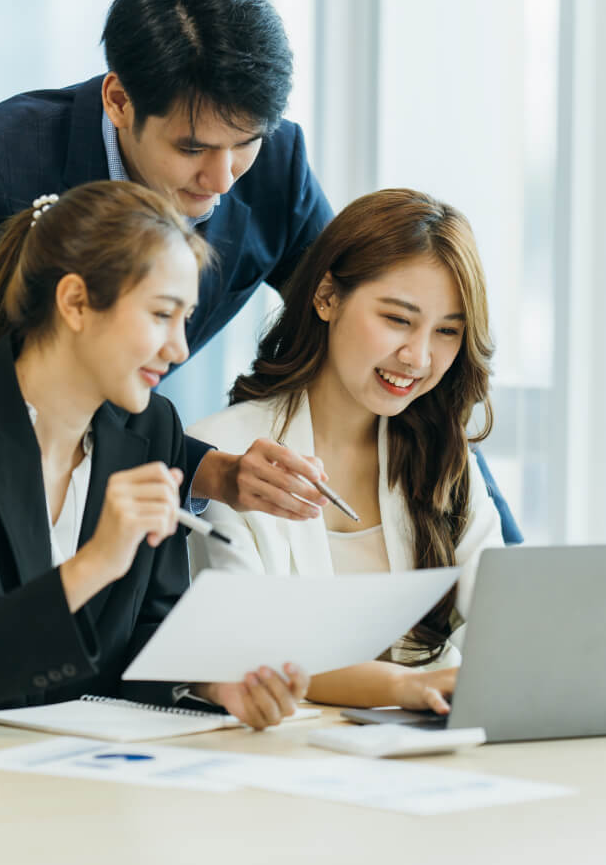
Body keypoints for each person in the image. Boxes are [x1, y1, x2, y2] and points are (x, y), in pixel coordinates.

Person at [0, 0, 519, 635]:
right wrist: (214, 470)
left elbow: (362, 328)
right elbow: (17, 376)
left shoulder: (275, 167)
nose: (223, 177)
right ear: (120, 99)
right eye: (193, 148)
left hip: (74, 476)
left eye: (246, 142)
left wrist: (502, 548)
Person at [0, 181, 309, 730]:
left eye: (186, 319)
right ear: (74, 302)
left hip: (82, 780)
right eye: (162, 315)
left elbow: (145, 636)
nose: (180, 348)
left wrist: (209, 680)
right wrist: (93, 565)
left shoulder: (152, 430)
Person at [188, 189, 505, 716]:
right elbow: (248, 652)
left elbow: (504, 619)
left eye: (447, 331)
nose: (419, 357)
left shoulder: (444, 458)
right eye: (398, 319)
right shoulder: (225, 458)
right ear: (327, 297)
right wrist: (402, 687)